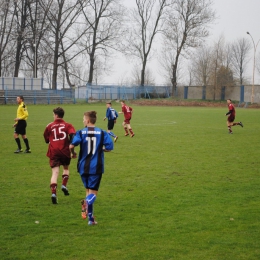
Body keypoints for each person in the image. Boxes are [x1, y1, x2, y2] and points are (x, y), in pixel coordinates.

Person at [69, 111, 113, 225]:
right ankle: (86, 203)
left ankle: (91, 220)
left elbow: (71, 145)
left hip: (83, 167)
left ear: (88, 120)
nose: (83, 120)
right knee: (92, 194)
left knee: (88, 191)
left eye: (84, 119)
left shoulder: (80, 132)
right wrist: (102, 149)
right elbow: (110, 147)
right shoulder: (102, 133)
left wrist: (73, 153)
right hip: (96, 167)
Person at [43, 107, 76, 204]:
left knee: (55, 173)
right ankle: (64, 185)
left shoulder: (49, 126)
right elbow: (73, 135)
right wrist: (72, 149)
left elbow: (46, 140)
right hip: (65, 151)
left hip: (54, 152)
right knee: (66, 168)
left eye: (53, 114)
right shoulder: (68, 125)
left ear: (56, 115)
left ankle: (53, 193)